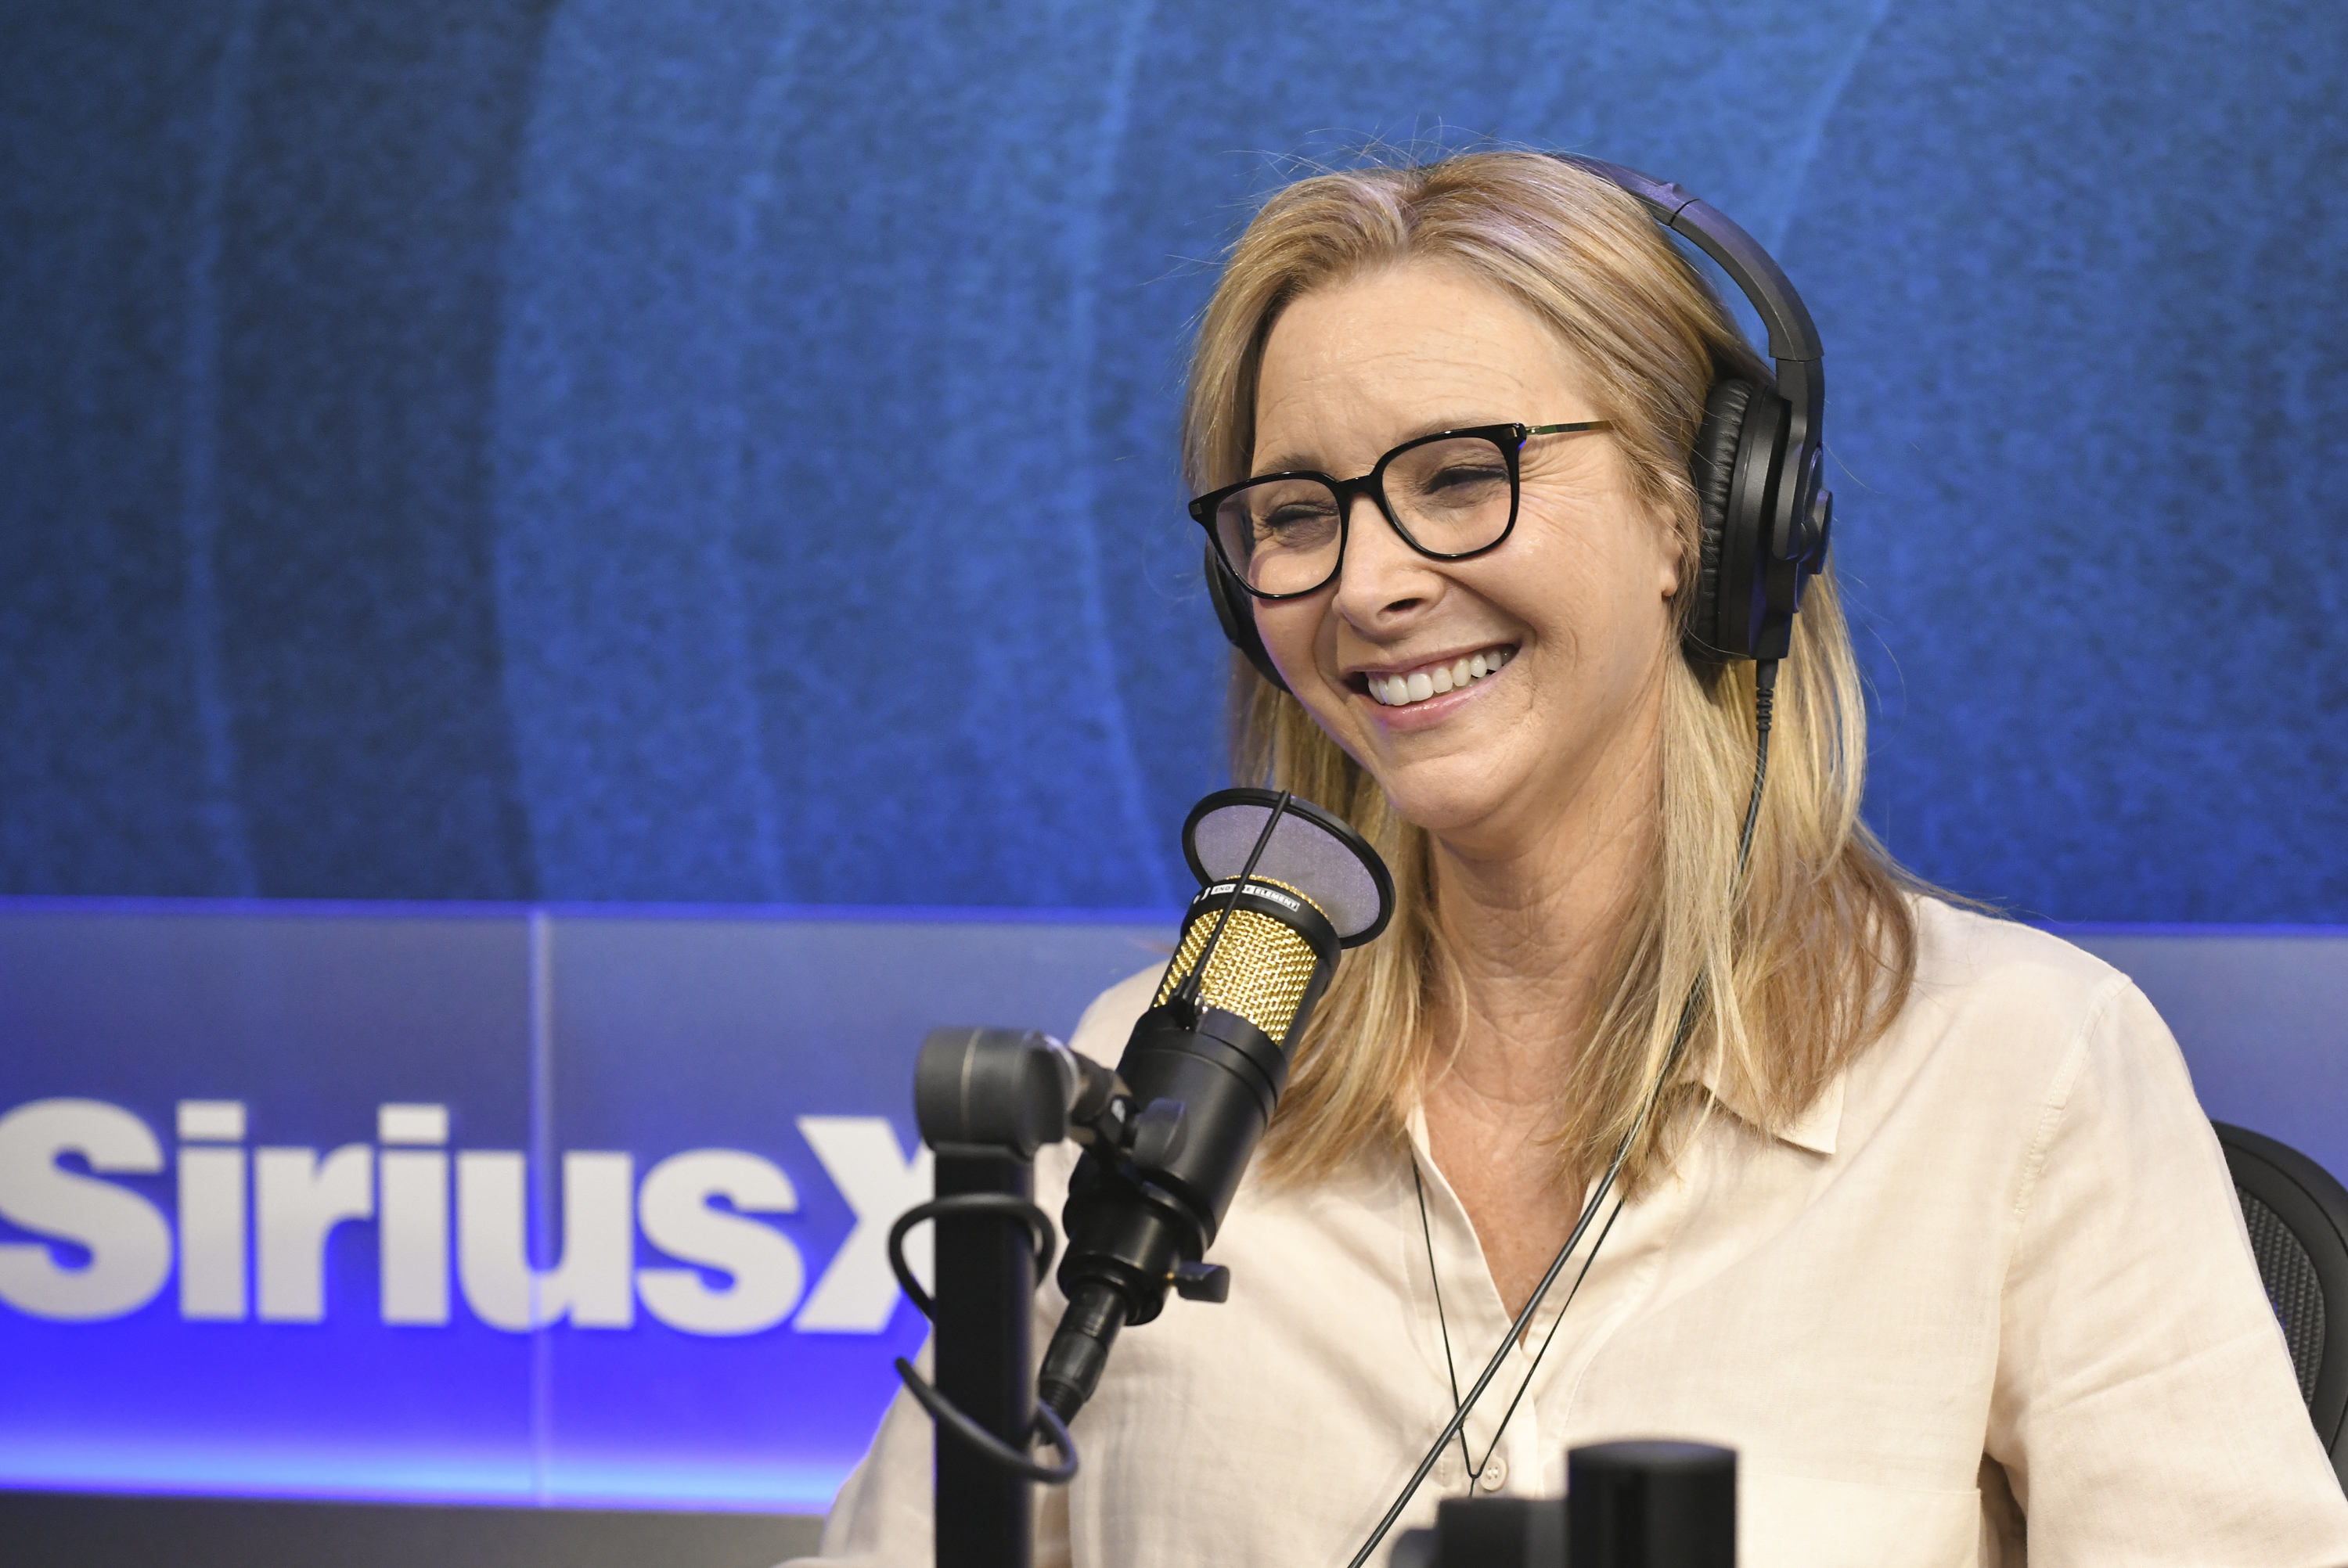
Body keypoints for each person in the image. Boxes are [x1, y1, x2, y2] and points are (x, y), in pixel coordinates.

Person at [793, 151, 2348, 1566]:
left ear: (1703, 517)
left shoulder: (2021, 1070)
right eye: (1293, 512)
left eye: (1460, 477)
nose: (1372, 585)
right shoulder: (1151, 1081)